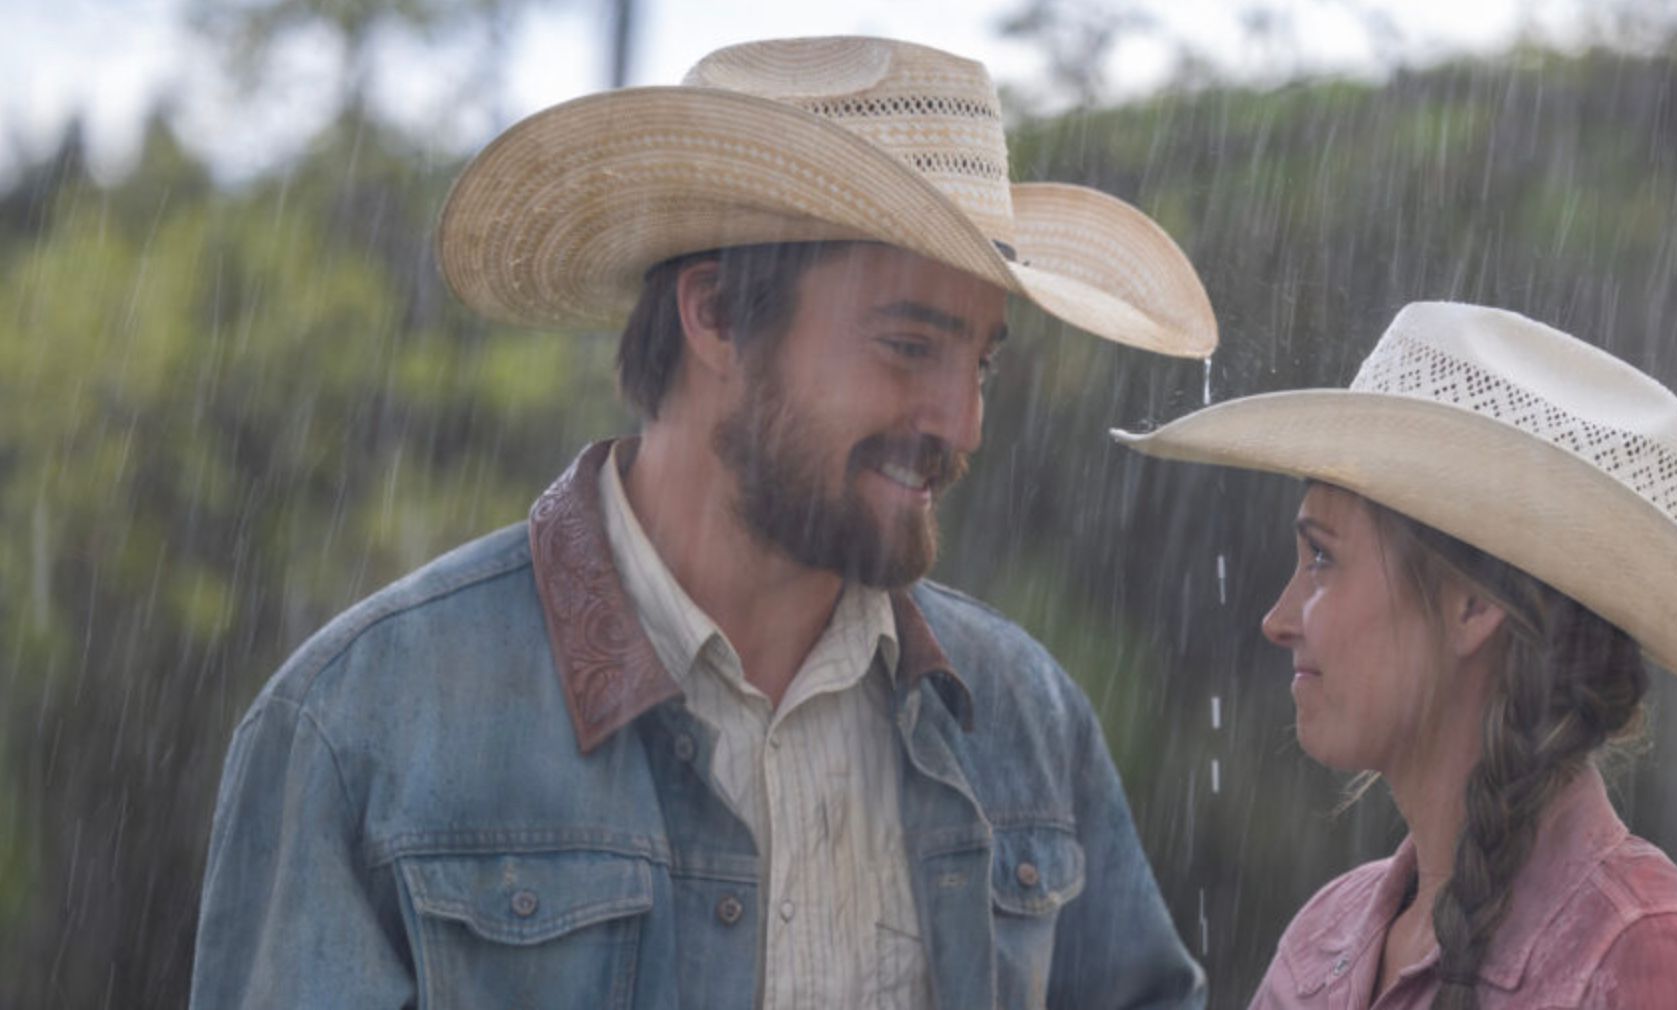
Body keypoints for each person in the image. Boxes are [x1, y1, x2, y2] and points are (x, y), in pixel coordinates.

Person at [190, 36, 1216, 1009]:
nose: (963, 423)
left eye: (980, 363)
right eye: (909, 345)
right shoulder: (365, 722)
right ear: (716, 315)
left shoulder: (1024, 717)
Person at [1116, 302, 1677, 1009]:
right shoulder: (1320, 945)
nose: (1278, 620)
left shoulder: (1649, 964)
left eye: (1323, 558)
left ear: (1473, 606)